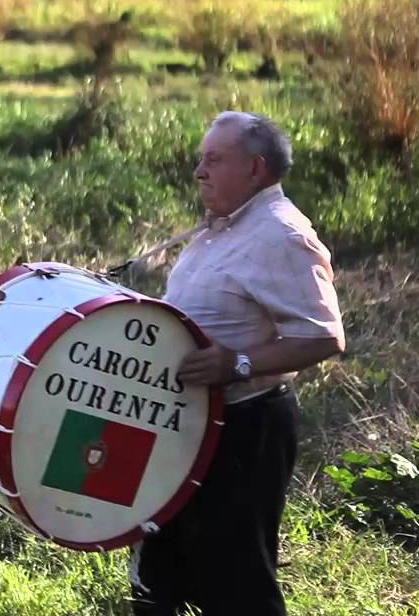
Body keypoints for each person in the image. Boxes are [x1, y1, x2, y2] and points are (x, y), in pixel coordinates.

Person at [131, 111, 346, 615]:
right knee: (160, 572)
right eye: (199, 160)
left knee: (236, 584)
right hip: (187, 425)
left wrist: (239, 363)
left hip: (246, 427)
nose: (199, 172)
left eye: (214, 159)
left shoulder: (281, 236)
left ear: (256, 169)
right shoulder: (220, 228)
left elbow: (323, 336)